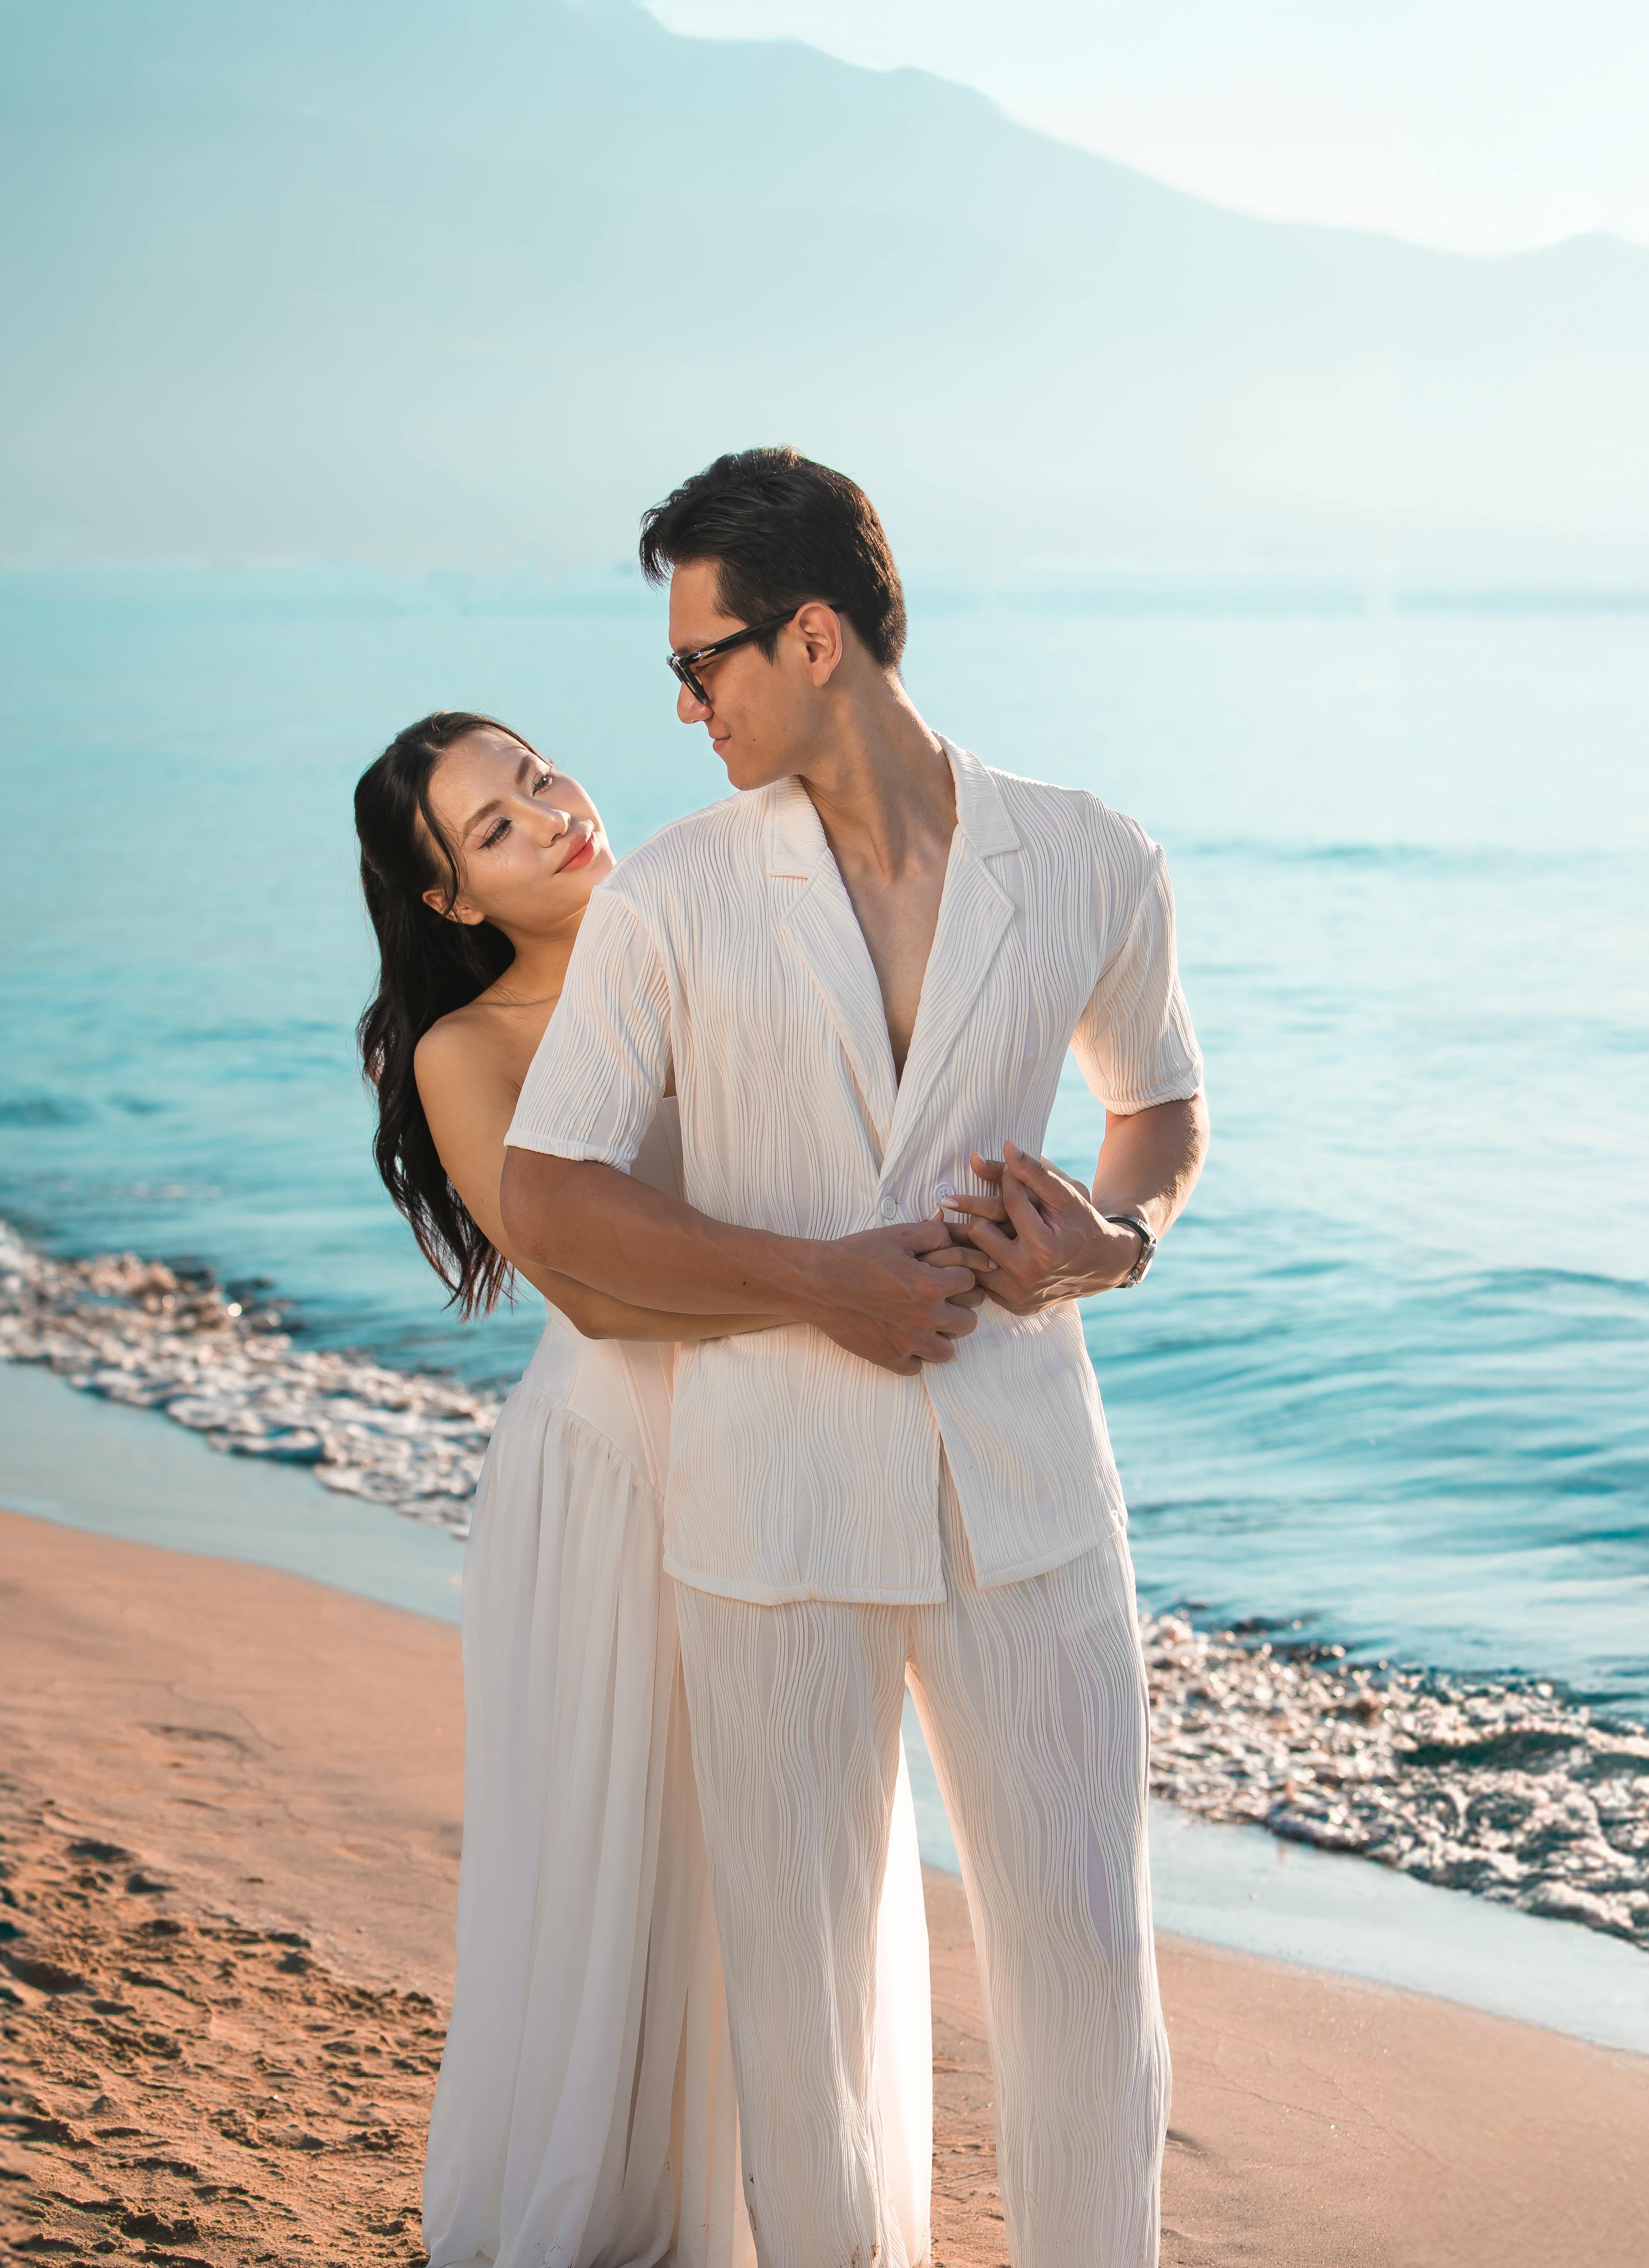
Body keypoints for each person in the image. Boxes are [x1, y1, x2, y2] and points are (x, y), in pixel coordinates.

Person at [500, 449, 1209, 2268]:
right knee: (799, 2000)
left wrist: (1106, 1244)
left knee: (1084, 1958)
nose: (682, 703)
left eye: (706, 661)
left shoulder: (1093, 859)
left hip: (1035, 1500)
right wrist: (821, 1280)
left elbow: (1162, 1109)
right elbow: (550, 1197)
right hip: (770, 1509)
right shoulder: (671, 897)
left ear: (813, 637)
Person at [356, 711, 929, 2268]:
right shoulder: (469, 1050)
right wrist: (834, 1291)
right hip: (610, 1477)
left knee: (797, 1841)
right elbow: (595, 1290)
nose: (546, 816)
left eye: (536, 776)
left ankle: (791, 2203)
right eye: (490, 827)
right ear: (455, 902)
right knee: (620, 1847)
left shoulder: (705, 929)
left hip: (781, 1450)